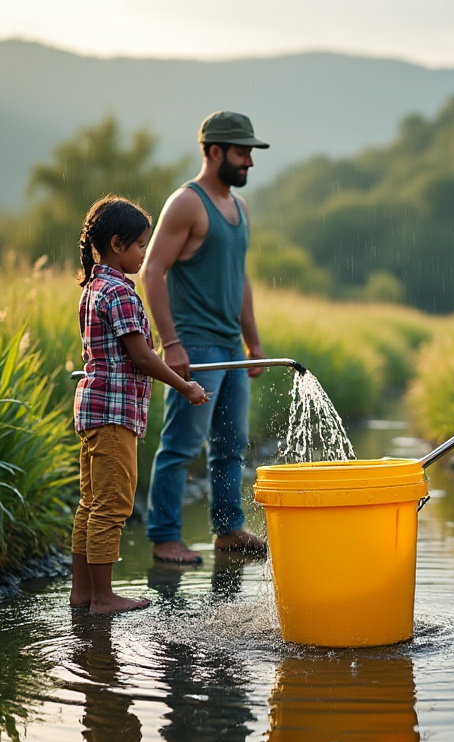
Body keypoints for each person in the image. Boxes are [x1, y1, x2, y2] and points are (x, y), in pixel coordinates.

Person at [139, 110, 270, 565]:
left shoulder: (241, 209)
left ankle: (229, 530)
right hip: (195, 345)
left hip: (231, 347)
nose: (249, 162)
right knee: (181, 445)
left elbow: (241, 280)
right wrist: (170, 343)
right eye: (241, 152)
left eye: (251, 153)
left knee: (232, 443)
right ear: (214, 151)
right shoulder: (187, 203)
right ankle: (163, 538)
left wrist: (253, 343)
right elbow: (152, 270)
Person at [71, 195, 208, 613]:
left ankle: (83, 593)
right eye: (139, 246)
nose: (144, 254)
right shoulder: (121, 293)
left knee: (90, 504)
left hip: (93, 410)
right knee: (113, 506)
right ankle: (103, 597)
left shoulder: (93, 288)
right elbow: (143, 357)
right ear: (116, 243)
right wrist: (184, 387)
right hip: (114, 414)